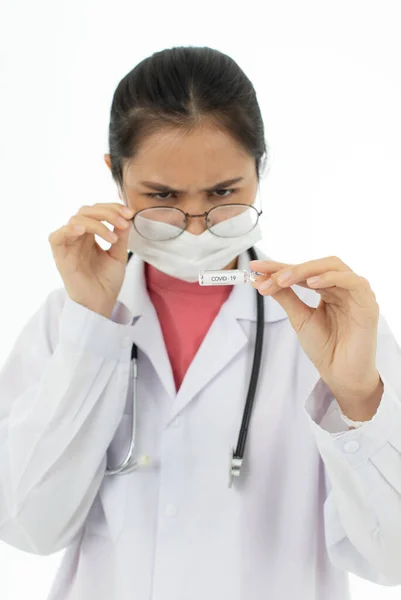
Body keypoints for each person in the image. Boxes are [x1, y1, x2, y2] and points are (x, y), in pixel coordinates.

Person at [1, 46, 401, 600]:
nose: (194, 228)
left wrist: (358, 397)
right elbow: (28, 528)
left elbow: (390, 559)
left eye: (223, 194)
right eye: (162, 197)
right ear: (115, 175)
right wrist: (90, 330)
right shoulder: (66, 322)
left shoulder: (333, 324)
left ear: (261, 167)